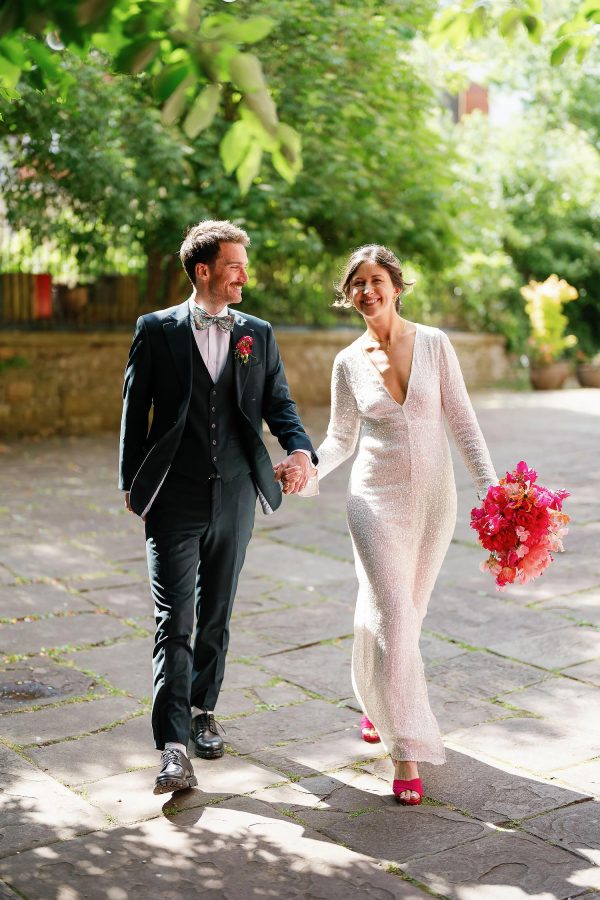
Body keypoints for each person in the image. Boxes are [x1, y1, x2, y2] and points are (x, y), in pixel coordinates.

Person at [287, 245, 497, 805]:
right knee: (396, 616)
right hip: (373, 501)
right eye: (357, 283)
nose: (367, 291)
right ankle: (407, 749)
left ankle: (378, 700)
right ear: (348, 294)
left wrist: (494, 491)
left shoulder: (433, 344)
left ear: (397, 286)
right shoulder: (347, 362)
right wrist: (306, 468)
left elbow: (463, 421)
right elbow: (339, 440)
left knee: (406, 614)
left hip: (434, 501)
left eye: (376, 280)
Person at [119, 220, 316, 795]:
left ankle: (204, 710)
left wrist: (300, 449)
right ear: (203, 270)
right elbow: (136, 413)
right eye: (235, 266)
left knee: (218, 612)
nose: (244, 276)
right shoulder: (155, 331)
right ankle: (173, 747)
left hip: (235, 494)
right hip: (173, 498)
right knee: (173, 620)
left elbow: (279, 403)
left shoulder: (257, 333)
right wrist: (132, 484)